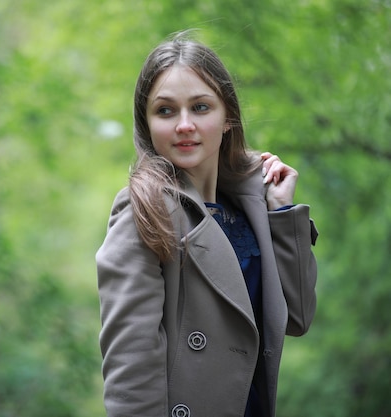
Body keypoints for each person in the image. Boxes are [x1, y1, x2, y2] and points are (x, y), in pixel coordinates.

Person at [95, 31, 318, 417]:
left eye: (200, 107)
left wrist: (281, 213)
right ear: (146, 124)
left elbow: (296, 318)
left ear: (227, 116)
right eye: (165, 111)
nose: (184, 125)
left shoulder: (250, 204)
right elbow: (130, 371)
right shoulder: (141, 209)